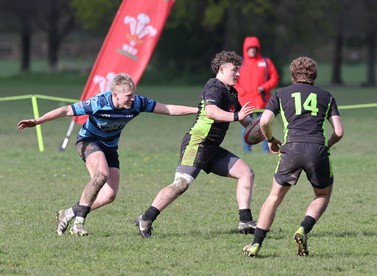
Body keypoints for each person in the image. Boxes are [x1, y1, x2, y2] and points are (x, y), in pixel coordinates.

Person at [17, 73, 198, 236]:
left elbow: (168, 109)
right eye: (128, 96)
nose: (132, 99)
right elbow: (65, 110)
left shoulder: (137, 103)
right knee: (101, 174)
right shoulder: (99, 102)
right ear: (115, 95)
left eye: (133, 94)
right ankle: (78, 224)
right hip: (88, 141)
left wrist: (198, 111)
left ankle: (69, 213)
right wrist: (38, 121)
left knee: (109, 196)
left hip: (110, 147)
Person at [135, 51, 257, 238]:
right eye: (234, 70)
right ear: (221, 69)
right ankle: (146, 218)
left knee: (246, 173)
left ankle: (245, 221)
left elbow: (245, 119)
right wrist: (236, 117)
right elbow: (211, 112)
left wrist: (265, 133)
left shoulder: (231, 92)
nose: (238, 74)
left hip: (213, 148)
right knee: (181, 184)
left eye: (238, 70)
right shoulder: (214, 87)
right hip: (198, 143)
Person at [242, 57, 344, 257]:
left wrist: (271, 140)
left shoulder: (280, 94)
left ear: (293, 75)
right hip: (317, 150)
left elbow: (263, 122)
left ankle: (255, 244)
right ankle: (303, 229)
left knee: (274, 197)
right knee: (322, 195)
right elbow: (339, 131)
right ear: (314, 75)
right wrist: (327, 145)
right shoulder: (326, 96)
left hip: (291, 150)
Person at [235, 36, 279, 153]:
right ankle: (247, 151)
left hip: (262, 101)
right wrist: (241, 91)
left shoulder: (265, 62)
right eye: (250, 48)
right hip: (245, 102)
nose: (252, 50)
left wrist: (264, 87)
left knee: (264, 126)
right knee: (246, 127)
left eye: (254, 48)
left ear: (258, 48)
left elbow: (274, 77)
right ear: (246, 49)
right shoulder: (240, 63)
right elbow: (234, 81)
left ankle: (266, 150)